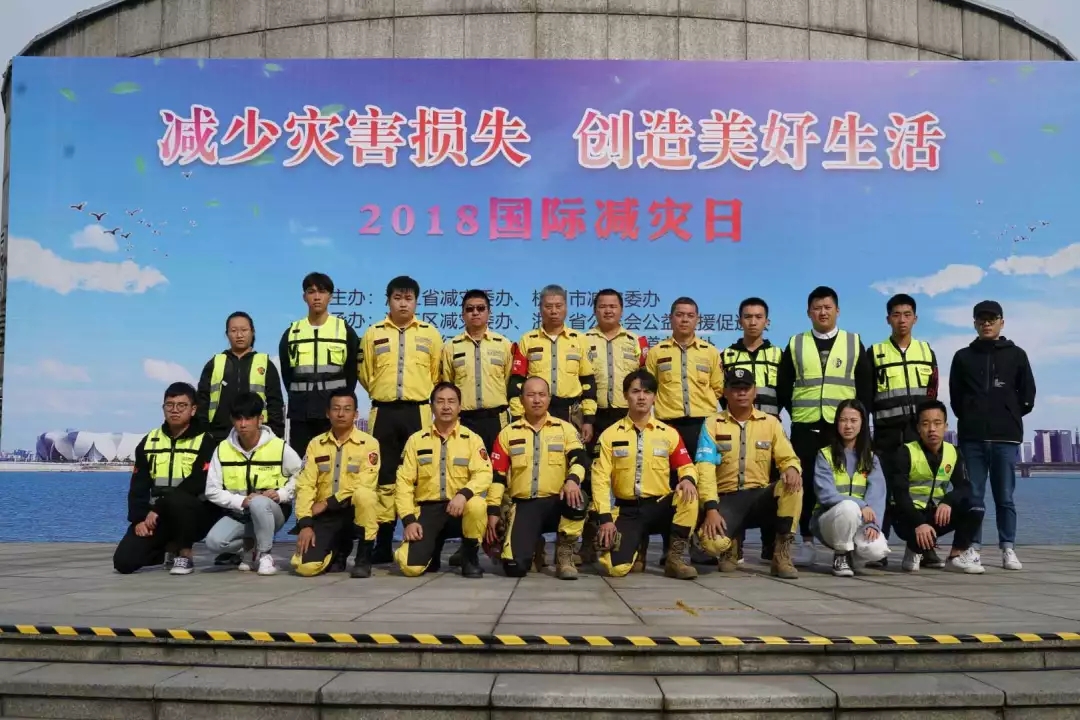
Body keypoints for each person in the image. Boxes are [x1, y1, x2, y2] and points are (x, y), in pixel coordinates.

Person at [777, 286, 874, 567]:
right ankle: (807, 542)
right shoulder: (796, 343)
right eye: (817, 308)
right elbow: (784, 385)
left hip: (840, 428)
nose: (822, 312)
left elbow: (865, 387)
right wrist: (796, 411)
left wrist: (856, 420)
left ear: (837, 311)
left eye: (828, 307)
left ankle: (844, 544)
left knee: (844, 483)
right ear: (808, 312)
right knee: (804, 485)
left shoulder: (853, 342)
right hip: (805, 427)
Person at [359, 276, 443, 564]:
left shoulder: (431, 334)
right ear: (388, 300)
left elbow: (437, 374)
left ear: (416, 302)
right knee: (384, 478)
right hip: (383, 412)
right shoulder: (373, 333)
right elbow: (366, 373)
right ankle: (383, 542)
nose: (403, 304)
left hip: (417, 411)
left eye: (408, 298)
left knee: (420, 476)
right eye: (397, 298)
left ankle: (420, 542)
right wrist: (382, 391)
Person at [949, 300, 1034, 571]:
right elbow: (956, 397)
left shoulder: (1017, 355)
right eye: (981, 319)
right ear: (974, 323)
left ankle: (1008, 548)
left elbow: (1028, 395)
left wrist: (1008, 414)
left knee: (1005, 496)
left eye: (992, 319)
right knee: (973, 496)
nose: (987, 323)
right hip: (972, 437)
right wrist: (971, 415)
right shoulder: (963, 357)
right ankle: (972, 548)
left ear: (1002, 322)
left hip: (1005, 437)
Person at [591, 369, 700, 580]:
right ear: (625, 395)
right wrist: (605, 519)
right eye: (635, 391)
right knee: (615, 569)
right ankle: (637, 545)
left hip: (660, 506)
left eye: (647, 392)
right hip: (628, 510)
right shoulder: (609, 435)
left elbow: (687, 465)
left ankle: (675, 558)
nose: (641, 397)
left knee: (689, 496)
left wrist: (687, 479)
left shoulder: (669, 433)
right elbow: (600, 479)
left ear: (654, 397)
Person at [695, 367, 803, 579]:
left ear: (754, 392)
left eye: (746, 388)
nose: (741, 393)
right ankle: (731, 544)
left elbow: (788, 457)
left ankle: (781, 554)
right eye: (736, 388)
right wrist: (711, 508)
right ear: (726, 392)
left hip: (759, 496)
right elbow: (704, 468)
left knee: (793, 486)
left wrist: (791, 468)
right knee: (711, 545)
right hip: (728, 499)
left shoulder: (771, 423)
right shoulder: (712, 424)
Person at [645, 296, 723, 564]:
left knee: (702, 484)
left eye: (690, 315)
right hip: (669, 427)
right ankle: (672, 548)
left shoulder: (710, 352)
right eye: (679, 314)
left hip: (702, 427)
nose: (685, 319)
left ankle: (701, 547)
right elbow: (649, 389)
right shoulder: (656, 353)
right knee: (671, 487)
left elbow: (717, 388)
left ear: (697, 319)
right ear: (670, 318)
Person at [486, 376, 589, 580]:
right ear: (521, 400)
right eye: (530, 395)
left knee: (579, 500)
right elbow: (497, 477)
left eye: (542, 395)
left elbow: (580, 459)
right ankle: (534, 546)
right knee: (514, 568)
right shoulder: (507, 434)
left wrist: (572, 480)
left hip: (558, 502)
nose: (536, 400)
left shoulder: (565, 429)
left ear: (549, 399)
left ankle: (565, 554)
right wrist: (493, 511)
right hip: (525, 505)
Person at [113, 382, 219, 575]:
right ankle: (166, 549)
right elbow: (138, 486)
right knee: (124, 562)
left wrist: (159, 508)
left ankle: (185, 554)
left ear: (193, 410)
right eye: (169, 405)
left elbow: (198, 482)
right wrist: (139, 519)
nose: (175, 410)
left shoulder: (206, 441)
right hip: (157, 516)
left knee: (180, 501)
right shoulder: (150, 441)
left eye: (182, 405)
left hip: (195, 514)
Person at [440, 290, 512, 571]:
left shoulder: (503, 345)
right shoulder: (451, 347)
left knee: (500, 481)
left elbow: (509, 382)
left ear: (489, 312)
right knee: (464, 480)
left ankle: (504, 545)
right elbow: (447, 386)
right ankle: (467, 544)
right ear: (462, 314)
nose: (475, 313)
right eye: (470, 309)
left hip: (496, 420)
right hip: (465, 421)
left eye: (481, 308)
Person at [394, 383, 493, 578]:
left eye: (451, 402)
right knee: (410, 568)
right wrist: (409, 520)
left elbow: (484, 473)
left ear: (459, 407)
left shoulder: (472, 439)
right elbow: (403, 483)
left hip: (459, 508)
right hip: (428, 510)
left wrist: (463, 495)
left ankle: (469, 557)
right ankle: (433, 550)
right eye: (440, 402)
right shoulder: (416, 440)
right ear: (432, 407)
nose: (446, 407)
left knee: (477, 505)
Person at [869, 294, 937, 566]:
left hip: (917, 436)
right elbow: (867, 396)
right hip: (886, 435)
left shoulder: (926, 351)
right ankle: (878, 548)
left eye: (907, 314)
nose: (902, 320)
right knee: (882, 491)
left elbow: (932, 393)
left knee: (920, 490)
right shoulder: (875, 353)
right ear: (888, 319)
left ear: (915, 319)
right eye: (896, 315)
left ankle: (924, 547)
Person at [581, 288, 648, 564]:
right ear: (595, 310)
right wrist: (585, 419)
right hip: (593, 417)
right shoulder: (582, 340)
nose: (608, 310)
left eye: (613, 306)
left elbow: (645, 381)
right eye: (602, 306)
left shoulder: (636, 341)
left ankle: (635, 545)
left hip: (627, 415)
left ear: (621, 310)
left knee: (631, 476)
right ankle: (588, 542)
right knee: (590, 478)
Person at [204, 392, 303, 576]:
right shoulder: (222, 449)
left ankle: (265, 555)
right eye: (238, 418)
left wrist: (281, 494)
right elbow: (211, 490)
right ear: (232, 420)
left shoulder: (278, 446)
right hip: (241, 514)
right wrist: (241, 501)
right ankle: (250, 547)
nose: (243, 424)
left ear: (260, 419)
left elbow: (302, 476)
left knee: (259, 502)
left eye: (249, 418)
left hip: (272, 511)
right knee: (214, 543)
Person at [717, 297, 783, 565]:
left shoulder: (778, 355)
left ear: (767, 321)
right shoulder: (728, 355)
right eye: (747, 317)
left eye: (758, 317)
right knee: (736, 482)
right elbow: (721, 392)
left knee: (770, 484)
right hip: (736, 428)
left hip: (769, 430)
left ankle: (771, 545)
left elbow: (784, 391)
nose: (753, 322)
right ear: (739, 321)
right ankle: (736, 544)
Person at [290, 388, 380, 579]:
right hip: (326, 516)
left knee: (365, 495)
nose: (341, 414)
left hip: (353, 511)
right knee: (305, 567)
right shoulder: (316, 444)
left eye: (347, 409)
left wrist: (328, 502)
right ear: (327, 413)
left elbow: (365, 482)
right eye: (336, 408)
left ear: (355, 414)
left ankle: (363, 558)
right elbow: (305, 485)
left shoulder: (369, 444)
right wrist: (305, 523)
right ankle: (337, 550)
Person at [888, 400, 986, 574]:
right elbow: (900, 494)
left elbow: (964, 487)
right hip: (907, 517)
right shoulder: (905, 452)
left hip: (935, 514)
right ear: (918, 428)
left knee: (976, 505)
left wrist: (948, 501)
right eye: (925, 424)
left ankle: (955, 556)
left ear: (945, 426)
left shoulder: (953, 452)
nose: (932, 429)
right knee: (915, 545)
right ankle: (914, 548)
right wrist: (919, 523)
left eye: (937, 423)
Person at [279, 272, 360, 456]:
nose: (317, 297)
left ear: (330, 296)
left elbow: (352, 372)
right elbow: (287, 373)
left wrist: (340, 404)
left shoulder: (344, 330)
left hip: (333, 413)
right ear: (304, 297)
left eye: (322, 292)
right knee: (301, 463)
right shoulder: (292, 332)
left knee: (335, 462)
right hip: (301, 413)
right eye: (311, 292)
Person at [809, 399, 889, 577]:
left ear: (862, 424)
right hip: (828, 521)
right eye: (843, 420)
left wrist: (873, 525)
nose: (848, 426)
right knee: (848, 507)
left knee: (877, 549)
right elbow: (826, 495)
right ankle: (840, 556)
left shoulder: (871, 459)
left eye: (853, 420)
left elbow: (877, 495)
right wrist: (861, 504)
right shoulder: (825, 455)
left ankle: (853, 557)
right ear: (837, 423)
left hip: (858, 520)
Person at [197, 311, 285, 443]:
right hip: (218, 436)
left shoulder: (265, 363)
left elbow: (275, 402)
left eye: (244, 330)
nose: (239, 335)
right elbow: (202, 400)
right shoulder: (215, 363)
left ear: (252, 332)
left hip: (257, 437)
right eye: (233, 331)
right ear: (227, 334)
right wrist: (204, 432)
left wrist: (274, 433)